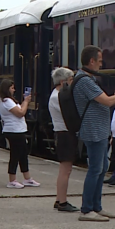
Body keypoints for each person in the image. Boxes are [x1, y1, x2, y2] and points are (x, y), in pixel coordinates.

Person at [73, 45, 115, 222]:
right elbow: (108, 101)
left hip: (99, 129)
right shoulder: (85, 81)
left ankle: (96, 206)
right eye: (100, 61)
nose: (101, 65)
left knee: (101, 168)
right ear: (92, 61)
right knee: (95, 169)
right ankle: (87, 210)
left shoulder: (88, 79)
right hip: (93, 130)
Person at [0, 78, 40, 189]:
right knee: (15, 155)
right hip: (14, 130)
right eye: (12, 88)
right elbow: (20, 113)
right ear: (7, 89)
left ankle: (27, 178)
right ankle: (12, 180)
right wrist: (25, 102)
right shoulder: (7, 101)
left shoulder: (5, 101)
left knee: (23, 154)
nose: (14, 90)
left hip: (17, 130)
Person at [48, 67, 79, 212]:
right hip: (64, 133)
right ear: (63, 82)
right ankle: (62, 201)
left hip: (63, 133)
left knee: (65, 169)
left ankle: (59, 198)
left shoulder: (57, 95)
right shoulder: (58, 97)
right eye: (70, 80)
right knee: (65, 170)